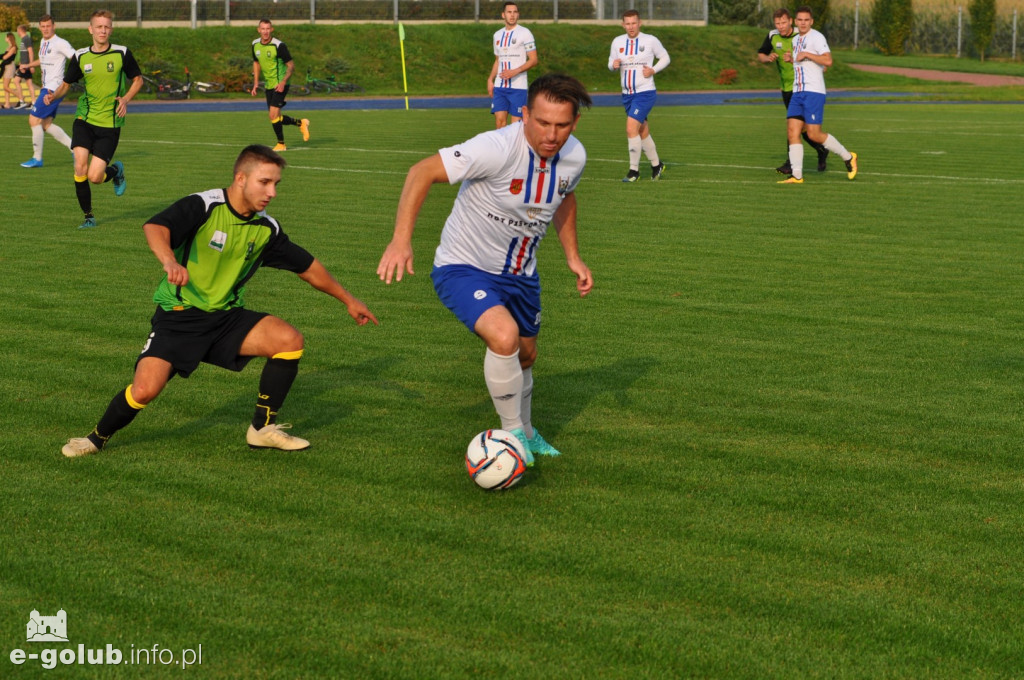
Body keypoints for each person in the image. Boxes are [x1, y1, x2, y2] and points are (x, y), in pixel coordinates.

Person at [61, 145, 379, 458]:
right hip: (179, 318)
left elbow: (308, 268)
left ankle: (262, 430)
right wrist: (170, 262)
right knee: (145, 390)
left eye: (276, 184)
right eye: (264, 182)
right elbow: (155, 227)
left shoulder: (265, 228)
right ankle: (95, 438)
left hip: (226, 319)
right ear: (241, 178)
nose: (272, 192)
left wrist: (349, 300)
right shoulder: (205, 205)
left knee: (289, 340)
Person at [377, 73, 593, 465]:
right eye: (542, 122)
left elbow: (565, 197)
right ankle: (512, 440)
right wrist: (400, 239)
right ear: (524, 114)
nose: (551, 134)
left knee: (526, 355)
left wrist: (573, 257)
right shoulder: (494, 148)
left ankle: (527, 431)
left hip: (522, 274)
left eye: (562, 125)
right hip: (463, 266)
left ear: (574, 123)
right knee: (504, 336)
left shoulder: (574, 156)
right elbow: (421, 171)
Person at [44, 10, 143, 229]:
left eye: (106, 27)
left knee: (95, 177)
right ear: (91, 29)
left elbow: (137, 79)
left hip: (110, 123)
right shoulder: (80, 56)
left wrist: (125, 99)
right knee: (80, 167)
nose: (103, 30)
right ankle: (88, 217)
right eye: (99, 27)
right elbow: (66, 85)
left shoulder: (121, 53)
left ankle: (115, 171)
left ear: (111, 29)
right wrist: (54, 96)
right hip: (84, 119)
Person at [777, 6, 858, 184]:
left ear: (811, 22)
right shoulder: (796, 39)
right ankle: (797, 175)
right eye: (800, 20)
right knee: (792, 131)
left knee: (814, 134)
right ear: (795, 22)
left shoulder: (817, 37)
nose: (803, 23)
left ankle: (848, 156)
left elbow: (827, 60)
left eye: (806, 20)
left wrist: (807, 54)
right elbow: (808, 64)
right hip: (797, 91)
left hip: (813, 91)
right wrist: (793, 60)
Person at [757, 7, 829, 175]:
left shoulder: (802, 34)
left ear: (791, 21)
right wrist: (767, 58)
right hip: (787, 89)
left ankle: (791, 163)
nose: (780, 26)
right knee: (802, 130)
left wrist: (821, 65)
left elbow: (819, 55)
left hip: (805, 88)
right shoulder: (772, 36)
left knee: (795, 128)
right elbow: (761, 53)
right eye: (777, 23)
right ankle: (821, 150)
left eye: (783, 22)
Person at [608, 9, 670, 183]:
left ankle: (633, 171)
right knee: (642, 131)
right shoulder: (617, 42)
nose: (631, 26)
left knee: (631, 128)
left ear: (639, 23)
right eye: (627, 23)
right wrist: (613, 65)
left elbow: (665, 57)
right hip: (627, 95)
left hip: (645, 92)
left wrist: (653, 70)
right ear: (623, 25)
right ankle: (657, 165)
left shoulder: (650, 40)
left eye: (634, 23)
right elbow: (610, 63)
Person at [20, 15, 75, 168]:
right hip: (48, 86)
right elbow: (42, 60)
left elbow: (76, 58)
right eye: (43, 26)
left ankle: (37, 158)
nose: (45, 29)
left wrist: (71, 78)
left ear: (54, 26)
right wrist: (28, 65)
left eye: (48, 26)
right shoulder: (44, 42)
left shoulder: (60, 43)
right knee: (45, 124)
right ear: (40, 28)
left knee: (33, 119)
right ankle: (74, 148)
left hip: (54, 88)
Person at [251, 19, 309, 152]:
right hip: (269, 84)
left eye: (268, 29)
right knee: (275, 117)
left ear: (272, 30)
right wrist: (255, 84)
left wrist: (283, 82)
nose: (265, 31)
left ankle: (281, 144)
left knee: (272, 116)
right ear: (258, 30)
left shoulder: (279, 46)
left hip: (281, 84)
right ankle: (301, 123)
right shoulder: (255, 45)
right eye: (263, 29)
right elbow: (256, 63)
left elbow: (291, 66)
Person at [487, 1, 537, 129]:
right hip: (500, 86)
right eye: (509, 12)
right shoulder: (497, 35)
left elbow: (533, 60)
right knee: (500, 123)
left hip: (518, 87)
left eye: (515, 12)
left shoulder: (525, 33)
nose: (512, 15)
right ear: (503, 15)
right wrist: (490, 79)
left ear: (518, 15)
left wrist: (515, 71)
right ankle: (502, 149)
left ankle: (516, 149)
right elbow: (498, 60)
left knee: (516, 127)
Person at [11, 23, 35, 109]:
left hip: (26, 66)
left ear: (20, 30)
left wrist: (31, 65)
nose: (17, 32)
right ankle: (33, 102)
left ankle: (22, 101)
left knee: (16, 81)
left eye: (17, 30)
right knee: (29, 83)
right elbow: (24, 53)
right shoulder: (24, 39)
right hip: (23, 65)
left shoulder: (26, 39)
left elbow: (31, 52)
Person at [1, 33, 16, 109]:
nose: (5, 39)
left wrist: (2, 56)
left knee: (6, 86)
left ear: (9, 38)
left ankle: (19, 96)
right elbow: (3, 56)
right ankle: (7, 104)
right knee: (5, 87)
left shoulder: (13, 47)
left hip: (10, 66)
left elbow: (5, 57)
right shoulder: (8, 47)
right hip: (6, 66)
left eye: (6, 37)